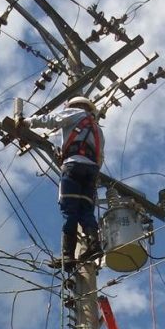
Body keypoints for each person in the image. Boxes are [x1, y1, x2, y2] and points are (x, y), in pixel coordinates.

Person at [19, 96, 104, 267]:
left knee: (69, 209)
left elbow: (53, 120)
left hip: (73, 166)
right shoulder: (98, 130)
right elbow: (100, 156)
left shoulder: (74, 113)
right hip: (92, 172)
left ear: (73, 106)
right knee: (86, 211)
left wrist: (27, 122)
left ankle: (68, 255)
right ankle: (94, 245)